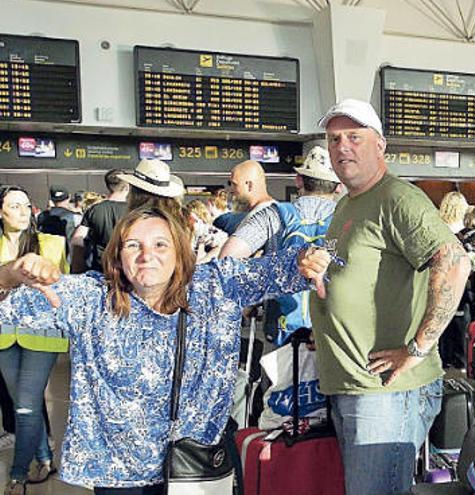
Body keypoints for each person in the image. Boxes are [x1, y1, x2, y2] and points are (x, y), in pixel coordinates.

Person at [0, 206, 330, 493]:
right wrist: (10, 274)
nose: (147, 255)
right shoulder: (91, 299)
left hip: (195, 466)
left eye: (160, 244)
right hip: (117, 473)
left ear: (179, 252)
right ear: (116, 254)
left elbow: (286, 270)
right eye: (133, 245)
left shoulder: (216, 287)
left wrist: (306, 259)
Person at [309, 99, 470, 495]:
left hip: (386, 392)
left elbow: (454, 262)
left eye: (354, 137)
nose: (341, 147)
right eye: (334, 139)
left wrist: (416, 348)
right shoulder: (348, 201)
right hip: (353, 385)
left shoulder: (397, 197)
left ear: (380, 145)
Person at [220, 146, 340, 346]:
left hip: (281, 334)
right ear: (338, 187)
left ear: (299, 180)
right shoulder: (349, 220)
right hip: (331, 336)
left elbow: (226, 261)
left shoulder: (274, 215)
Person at [0, 186, 68, 495]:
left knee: (26, 407)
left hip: (42, 333)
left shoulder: (52, 244)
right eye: (14, 206)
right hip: (3, 335)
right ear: (1, 211)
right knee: (20, 402)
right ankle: (43, 457)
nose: (23, 211)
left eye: (27, 205)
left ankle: (17, 475)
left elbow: (63, 289)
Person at [437, 192, 473, 371]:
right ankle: (459, 362)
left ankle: (444, 360)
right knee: (459, 327)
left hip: (439, 288)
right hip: (458, 291)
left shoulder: (437, 230)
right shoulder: (459, 236)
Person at [71, 169, 128, 273]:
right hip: (127, 268)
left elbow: (77, 239)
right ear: (126, 187)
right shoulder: (134, 211)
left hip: (101, 268)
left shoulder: (94, 209)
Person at [36, 186, 76, 258]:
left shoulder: (41, 216)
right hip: (66, 259)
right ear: (69, 197)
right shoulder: (74, 217)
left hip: (45, 258)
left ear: (52, 200)